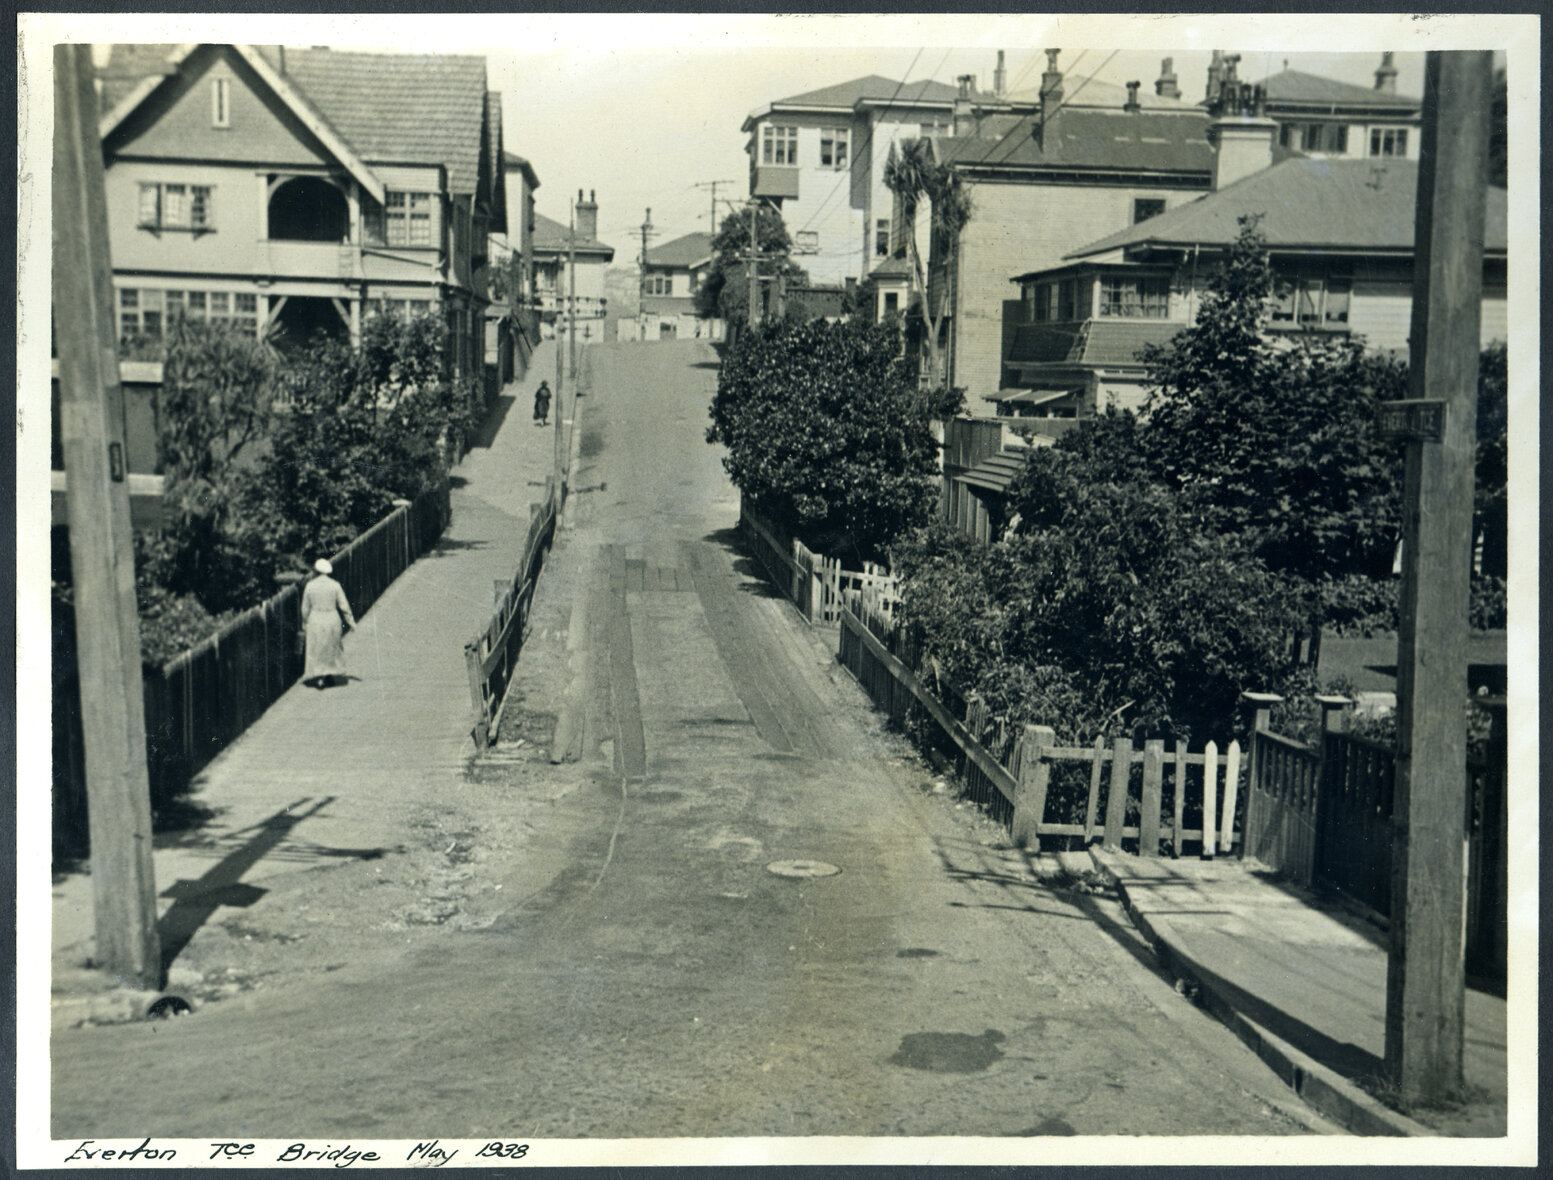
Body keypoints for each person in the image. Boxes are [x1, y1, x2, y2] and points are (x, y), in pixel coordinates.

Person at [301, 558, 355, 688]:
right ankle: (328, 675)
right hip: (331, 617)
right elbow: (344, 605)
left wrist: (304, 621)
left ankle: (319, 675)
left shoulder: (310, 586)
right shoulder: (335, 585)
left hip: (316, 617)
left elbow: (305, 607)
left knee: (317, 647)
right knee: (331, 646)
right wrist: (351, 621)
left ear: (316, 571)